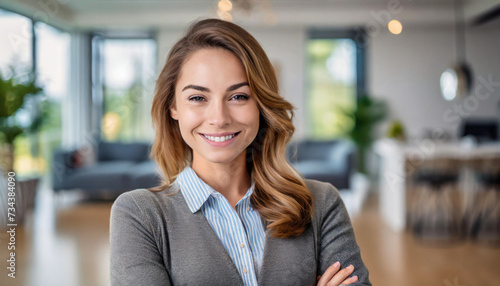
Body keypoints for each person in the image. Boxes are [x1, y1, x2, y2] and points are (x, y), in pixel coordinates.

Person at [110, 18, 371, 286]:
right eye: (198, 98)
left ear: (261, 105)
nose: (219, 118)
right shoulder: (139, 215)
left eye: (239, 96)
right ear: (173, 107)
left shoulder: (321, 203)